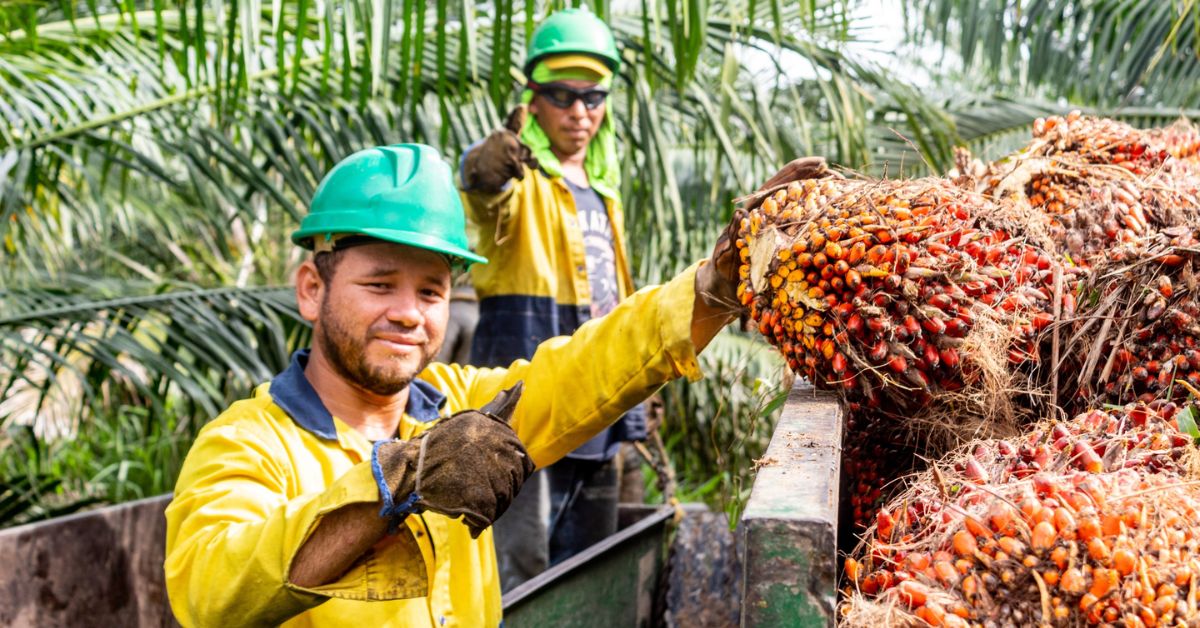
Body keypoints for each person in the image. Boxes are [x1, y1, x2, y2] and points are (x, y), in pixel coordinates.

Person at [163, 142, 828, 626]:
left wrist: (713, 286)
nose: (407, 312)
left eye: (431, 290)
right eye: (379, 284)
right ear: (313, 289)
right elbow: (214, 590)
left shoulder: (457, 404)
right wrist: (396, 481)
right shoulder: (246, 444)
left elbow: (581, 369)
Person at [458, 7, 641, 588]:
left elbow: (614, 297)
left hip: (597, 391)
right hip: (522, 397)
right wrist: (483, 168)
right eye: (562, 96)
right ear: (533, 100)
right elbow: (483, 193)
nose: (579, 112)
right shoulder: (520, 179)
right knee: (523, 563)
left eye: (593, 97)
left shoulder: (605, 196)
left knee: (589, 559)